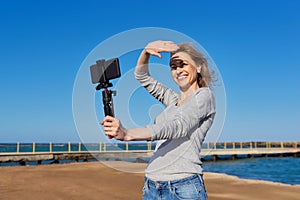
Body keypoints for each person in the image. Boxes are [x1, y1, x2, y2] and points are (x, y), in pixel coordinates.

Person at [100, 40, 216, 200]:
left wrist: (127, 134)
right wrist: (146, 52)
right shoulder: (172, 101)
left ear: (198, 66)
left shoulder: (204, 96)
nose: (178, 71)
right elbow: (141, 76)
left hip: (183, 186)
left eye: (183, 64)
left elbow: (178, 126)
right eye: (173, 67)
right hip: (152, 185)